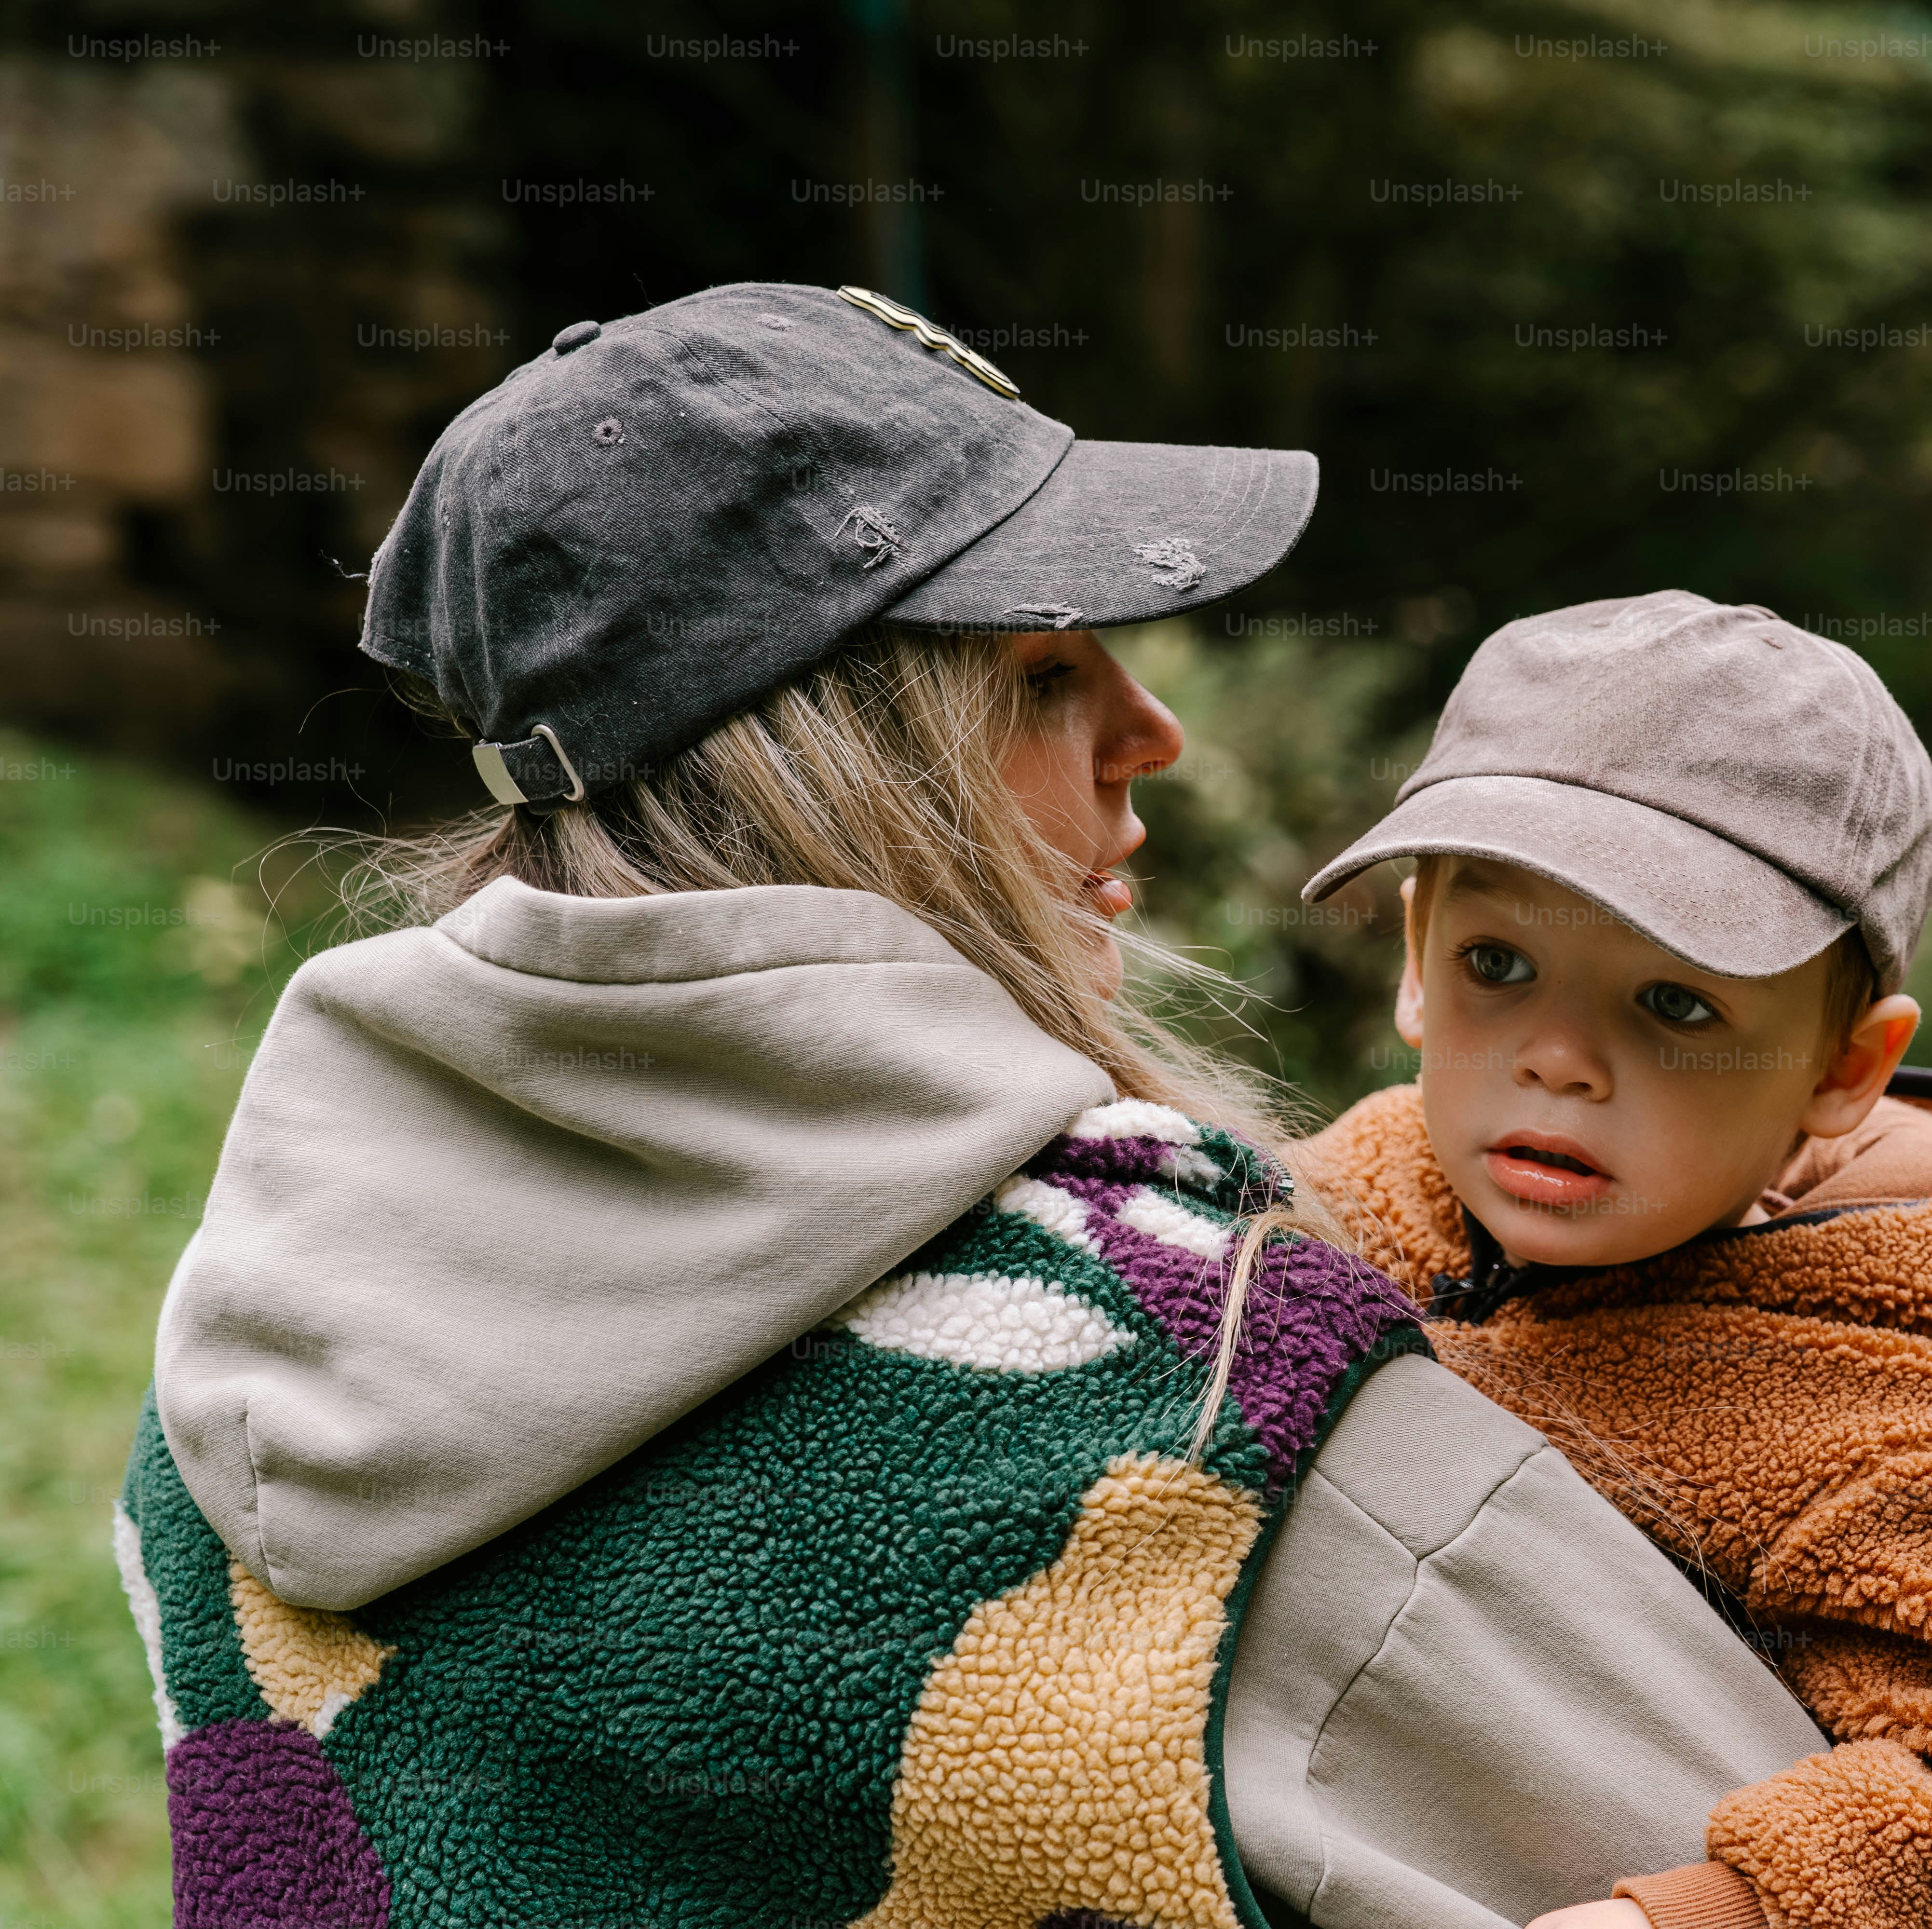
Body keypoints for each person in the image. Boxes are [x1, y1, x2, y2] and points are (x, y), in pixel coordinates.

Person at [114, 287, 1834, 1929]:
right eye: (1039, 676)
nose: (1150, 731)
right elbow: (1811, 1858)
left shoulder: (255, 1351)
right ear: (841, 757)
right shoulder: (1193, 1383)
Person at [1296, 590, 1932, 1929]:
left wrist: (1708, 1916)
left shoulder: (1906, 1415)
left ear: (1844, 1068)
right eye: (1498, 961)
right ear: (1416, 959)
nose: (1557, 1058)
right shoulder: (1340, 1190)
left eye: (1675, 1005)